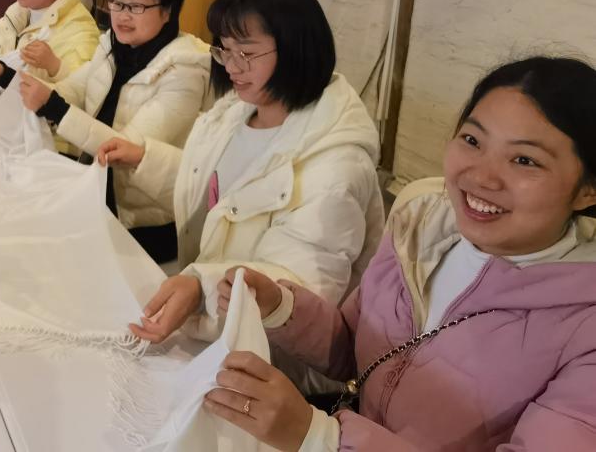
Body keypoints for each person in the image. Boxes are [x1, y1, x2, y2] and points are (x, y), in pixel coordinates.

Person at [206, 56, 596, 451]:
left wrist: (322, 438)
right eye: (472, 140)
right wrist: (281, 308)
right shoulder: (419, 231)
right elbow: (359, 351)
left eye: (525, 160)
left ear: (588, 189)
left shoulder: (584, 326)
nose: (481, 176)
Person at [100, 0, 384, 346]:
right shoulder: (237, 112)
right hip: (215, 328)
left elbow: (297, 291)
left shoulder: (335, 166)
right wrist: (145, 159)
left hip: (271, 355)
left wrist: (201, 288)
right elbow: (214, 194)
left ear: (296, 50)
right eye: (225, 50)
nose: (232, 66)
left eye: (246, 53)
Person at [13, 0, 211, 263]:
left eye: (137, 6)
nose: (122, 15)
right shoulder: (112, 46)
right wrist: (11, 80)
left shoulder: (185, 72)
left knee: (44, 252)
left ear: (167, 11)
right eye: (118, 3)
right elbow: (76, 88)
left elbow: (125, 148)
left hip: (142, 218)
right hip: (96, 186)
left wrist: (53, 107)